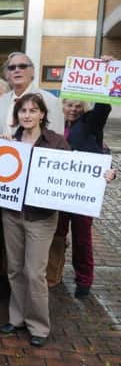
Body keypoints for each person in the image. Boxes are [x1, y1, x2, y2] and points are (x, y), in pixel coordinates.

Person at [0, 93, 69, 347]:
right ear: (17, 115)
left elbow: (77, 171)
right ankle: (17, 318)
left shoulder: (57, 142)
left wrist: (107, 174)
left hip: (41, 217)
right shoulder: (10, 142)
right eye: (22, 111)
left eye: (32, 110)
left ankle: (38, 325)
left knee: (34, 272)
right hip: (12, 213)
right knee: (15, 268)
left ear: (42, 114)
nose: (27, 115)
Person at [47, 97, 115, 297]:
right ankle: (53, 273)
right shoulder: (55, 125)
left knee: (82, 237)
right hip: (58, 190)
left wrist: (105, 73)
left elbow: (103, 108)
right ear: (63, 106)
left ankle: (84, 280)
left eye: (78, 106)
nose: (73, 110)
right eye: (69, 105)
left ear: (84, 108)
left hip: (81, 193)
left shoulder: (89, 123)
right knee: (56, 235)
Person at [0, 52, 64, 136]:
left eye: (22, 66)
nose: (17, 70)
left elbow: (56, 140)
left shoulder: (51, 101)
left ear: (32, 71)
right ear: (7, 74)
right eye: (12, 67)